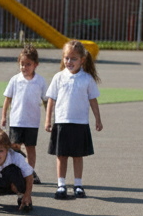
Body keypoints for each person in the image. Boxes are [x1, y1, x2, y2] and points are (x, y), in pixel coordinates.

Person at [44, 39, 102, 199]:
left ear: (82, 60)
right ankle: (61, 185)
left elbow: (93, 100)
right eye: (66, 58)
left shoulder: (87, 79)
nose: (69, 61)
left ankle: (78, 185)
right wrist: (48, 119)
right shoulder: (58, 77)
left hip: (80, 123)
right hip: (62, 122)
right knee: (61, 156)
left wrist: (98, 118)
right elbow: (51, 99)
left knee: (77, 156)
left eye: (74, 58)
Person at [2, 45, 47, 184]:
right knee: (14, 148)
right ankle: (16, 173)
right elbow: (7, 99)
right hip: (16, 120)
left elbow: (46, 100)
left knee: (30, 148)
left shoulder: (40, 81)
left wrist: (49, 119)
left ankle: (29, 173)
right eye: (22, 64)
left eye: (28, 64)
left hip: (32, 122)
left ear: (35, 65)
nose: (24, 67)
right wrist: (4, 116)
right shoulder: (15, 80)